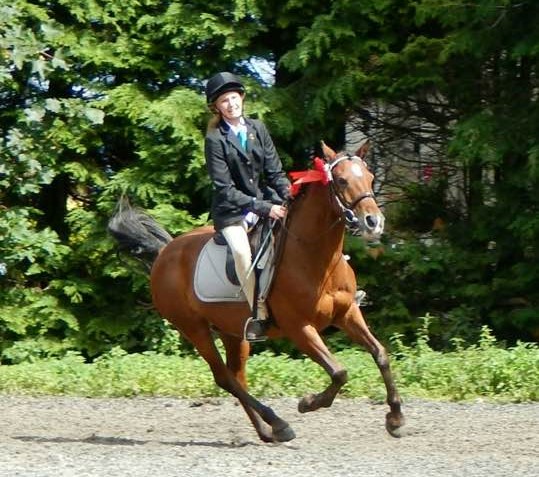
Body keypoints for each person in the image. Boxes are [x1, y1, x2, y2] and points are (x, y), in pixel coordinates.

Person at [204, 72, 291, 341]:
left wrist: (288, 193)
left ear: (241, 98)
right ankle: (259, 312)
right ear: (216, 107)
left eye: (234, 97)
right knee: (243, 253)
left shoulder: (257, 128)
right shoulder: (215, 139)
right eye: (224, 101)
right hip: (232, 211)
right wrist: (264, 208)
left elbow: (274, 171)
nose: (231, 104)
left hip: (265, 199)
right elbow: (225, 189)